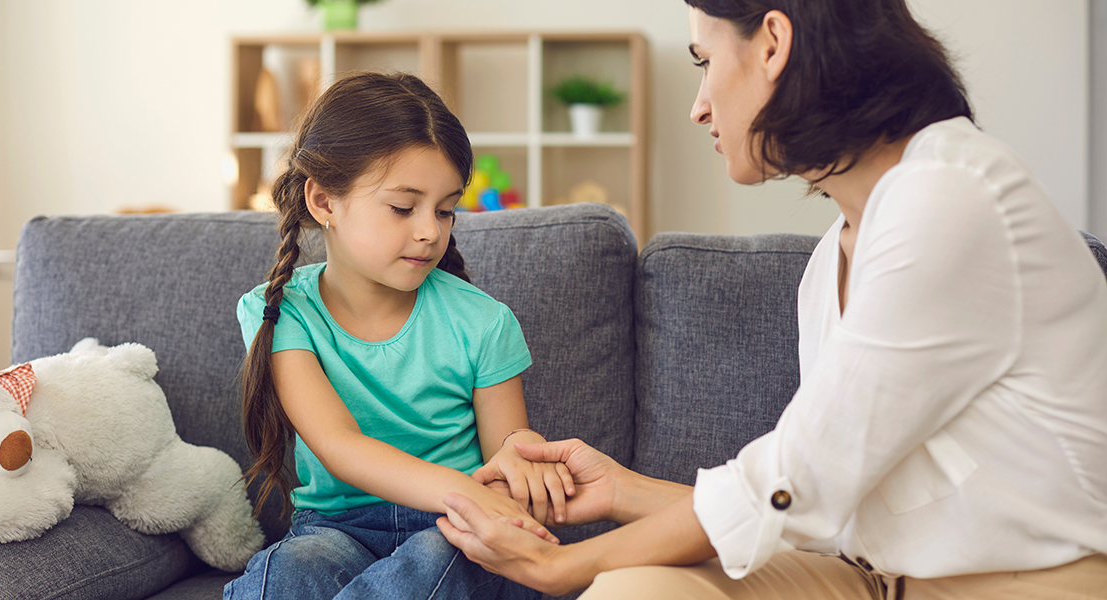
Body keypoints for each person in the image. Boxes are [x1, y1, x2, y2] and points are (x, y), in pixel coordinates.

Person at [437, 1, 1107, 598]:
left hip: (1033, 582)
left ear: (773, 44)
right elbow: (815, 504)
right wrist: (623, 490)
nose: (699, 104)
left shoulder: (951, 198)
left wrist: (565, 567)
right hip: (865, 575)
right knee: (638, 591)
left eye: (705, 61)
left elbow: (795, 482)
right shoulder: (834, 258)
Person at [226, 72, 572, 600]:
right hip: (338, 529)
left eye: (445, 209)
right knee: (290, 571)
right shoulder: (280, 312)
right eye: (403, 207)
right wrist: (463, 488)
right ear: (323, 201)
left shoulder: (483, 321)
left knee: (436, 559)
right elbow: (340, 446)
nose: (430, 230)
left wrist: (521, 456)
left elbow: (507, 446)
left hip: (451, 525)